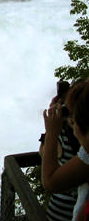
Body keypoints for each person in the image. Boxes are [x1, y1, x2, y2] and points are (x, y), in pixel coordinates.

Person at [42, 80, 89, 220]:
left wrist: (51, 133)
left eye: (73, 118)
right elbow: (42, 152)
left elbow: (50, 182)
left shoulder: (86, 152)